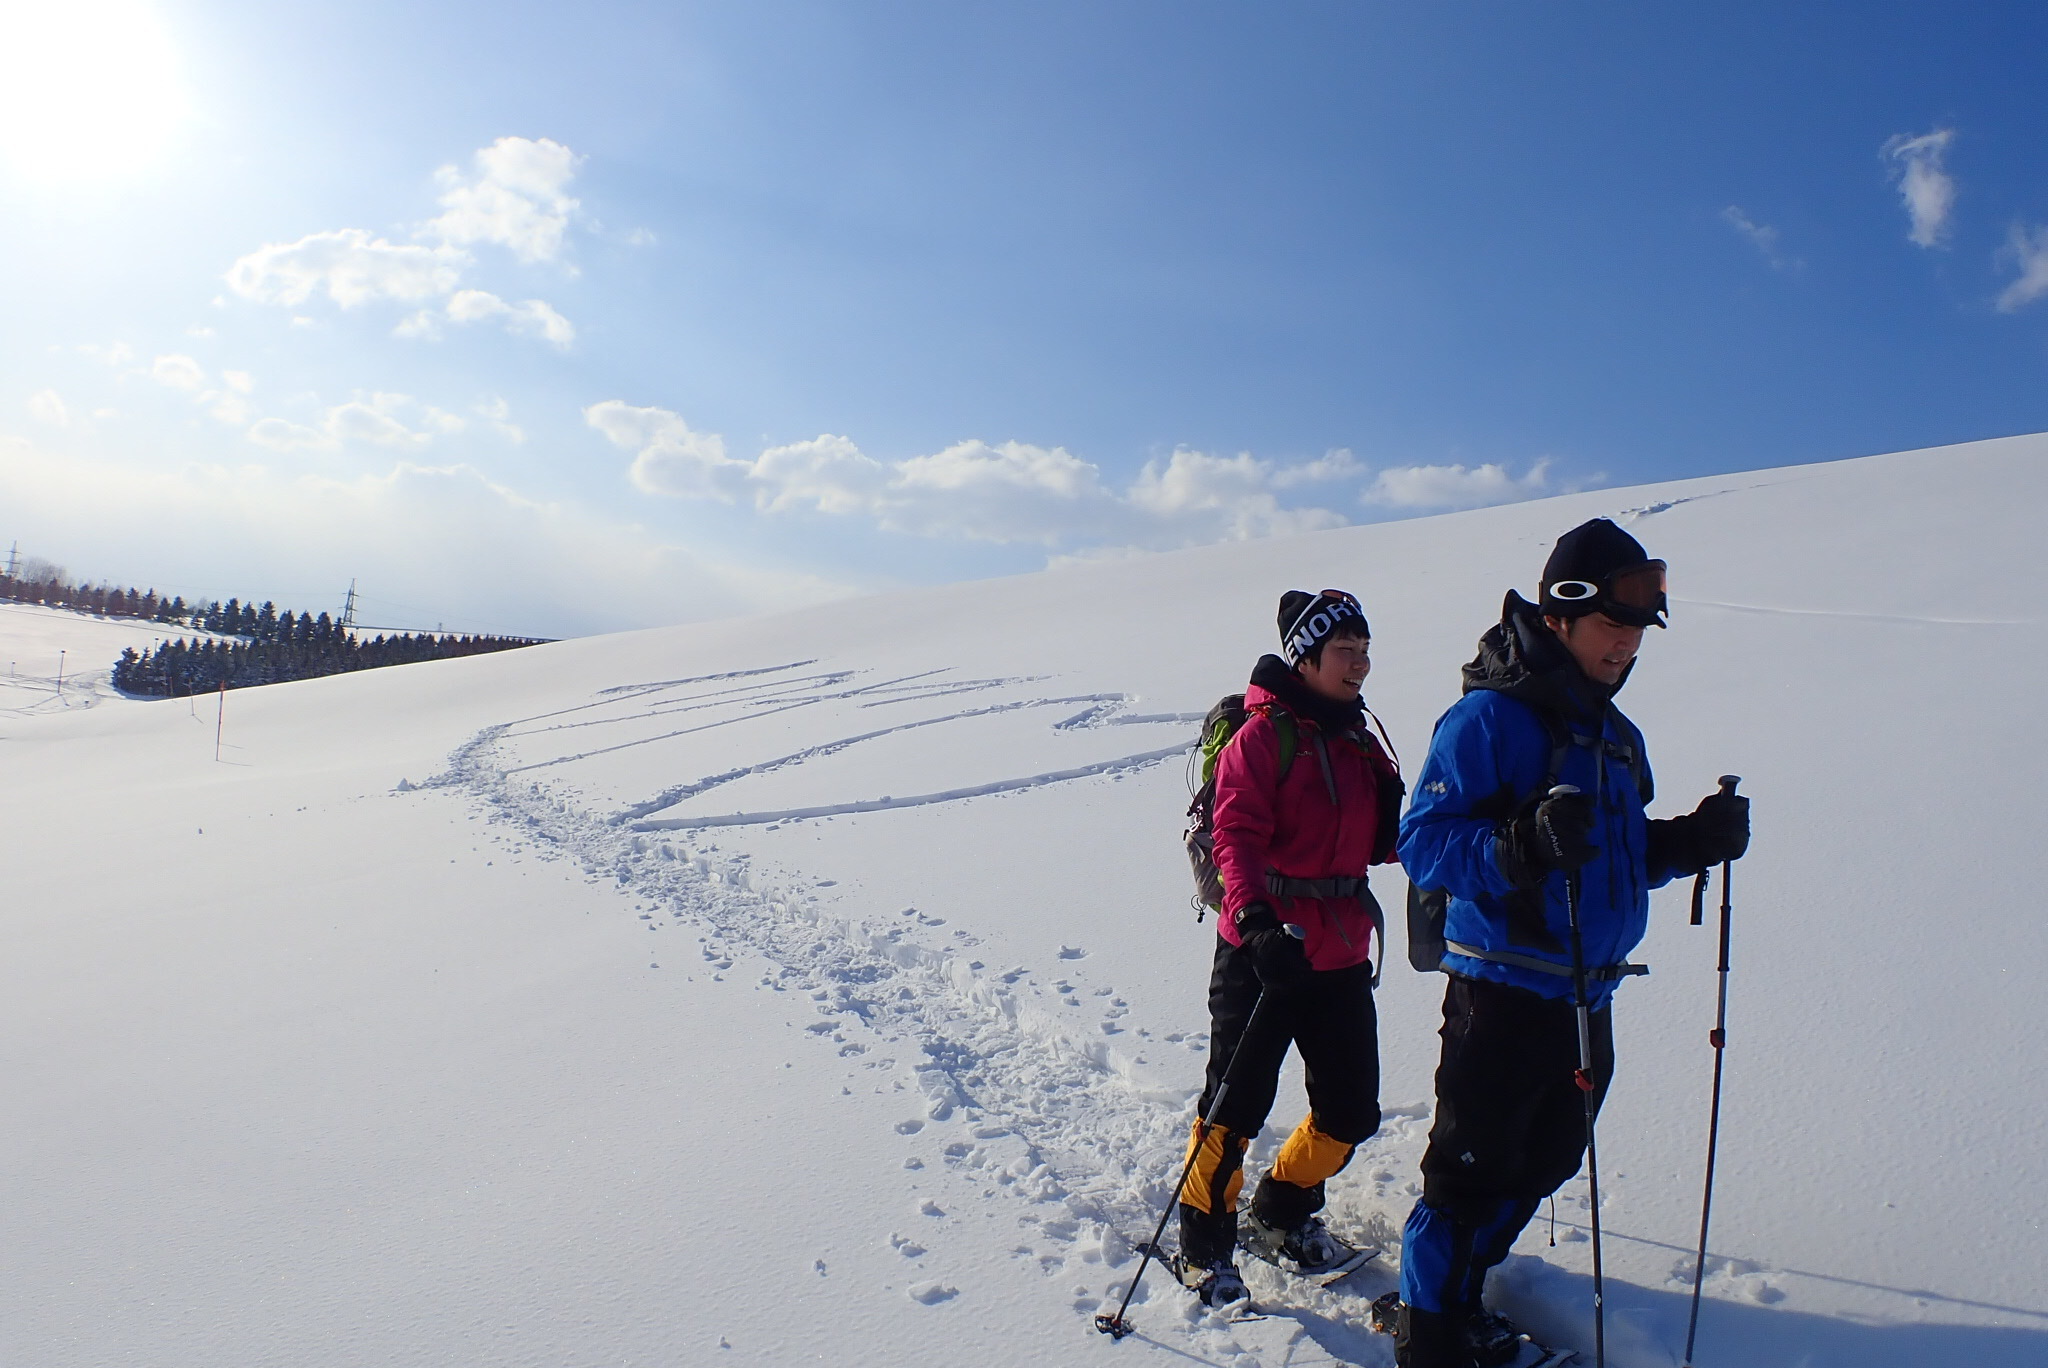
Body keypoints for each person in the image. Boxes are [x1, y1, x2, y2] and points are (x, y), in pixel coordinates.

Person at [1390, 519, 1750, 1366]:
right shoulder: (1487, 718)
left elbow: (1616, 855)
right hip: (1501, 994)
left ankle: (1465, 1290)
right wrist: (1517, 845)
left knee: (1545, 1157)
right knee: (1467, 1175)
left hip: (1590, 994)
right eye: (1612, 628)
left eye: (1637, 633)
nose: (1626, 646)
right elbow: (1425, 842)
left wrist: (1691, 841)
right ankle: (1429, 1333)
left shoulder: (1617, 737)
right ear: (1560, 616)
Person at [1176, 588, 1406, 1306]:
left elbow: (1383, 846)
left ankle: (1280, 1205)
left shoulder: (1360, 741)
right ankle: (1204, 1244)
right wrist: (1253, 920)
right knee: (1232, 1107)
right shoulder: (1262, 737)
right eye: (1346, 650)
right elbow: (1234, 838)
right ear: (1305, 656)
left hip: (1337, 952)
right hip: (1263, 952)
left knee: (1351, 1111)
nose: (1361, 663)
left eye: (1366, 650)